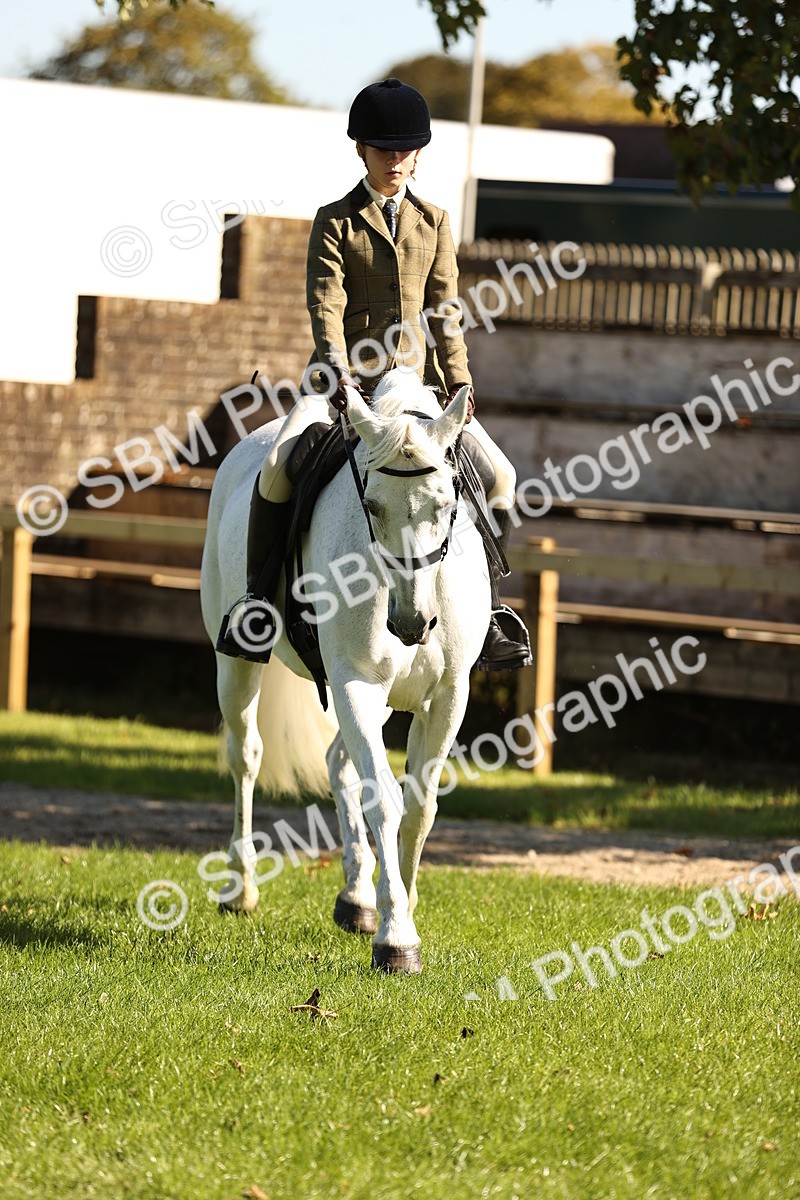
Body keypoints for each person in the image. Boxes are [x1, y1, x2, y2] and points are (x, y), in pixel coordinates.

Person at [217, 77, 532, 671]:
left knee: (501, 477)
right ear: (361, 150)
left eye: (405, 151)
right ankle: (259, 602)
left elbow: (444, 309)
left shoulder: (434, 221)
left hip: (416, 389)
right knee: (280, 465)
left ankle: (489, 616)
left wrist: (460, 382)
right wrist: (338, 373)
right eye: (384, 150)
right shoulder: (334, 220)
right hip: (342, 389)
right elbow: (325, 304)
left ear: (418, 154)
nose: (396, 162)